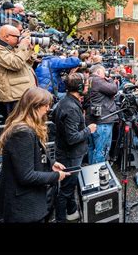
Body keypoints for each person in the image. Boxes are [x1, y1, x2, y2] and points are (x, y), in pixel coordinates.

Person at [0, 87, 70, 223]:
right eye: (45, 105)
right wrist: (56, 176)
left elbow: (29, 156)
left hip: (26, 203)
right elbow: (26, 175)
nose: (48, 109)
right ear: (34, 106)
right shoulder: (22, 133)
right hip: (22, 206)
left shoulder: (26, 128)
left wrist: (51, 163)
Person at [54, 73, 97, 222]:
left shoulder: (66, 101)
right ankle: (60, 219)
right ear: (78, 87)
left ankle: (72, 211)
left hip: (67, 152)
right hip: (70, 154)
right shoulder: (71, 108)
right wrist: (88, 130)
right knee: (66, 190)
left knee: (69, 186)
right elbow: (72, 138)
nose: (87, 87)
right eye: (85, 85)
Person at [0, 25, 36, 118]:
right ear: (6, 36)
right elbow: (16, 64)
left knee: (28, 123)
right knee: (19, 125)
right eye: (17, 37)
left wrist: (30, 49)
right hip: (14, 96)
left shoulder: (9, 47)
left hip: (22, 93)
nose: (19, 39)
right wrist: (23, 45)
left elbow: (27, 63)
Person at [84, 65, 119, 164]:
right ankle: (98, 175)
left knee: (92, 148)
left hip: (91, 120)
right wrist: (112, 81)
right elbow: (113, 90)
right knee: (101, 151)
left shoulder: (88, 80)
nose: (105, 76)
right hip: (103, 121)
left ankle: (92, 173)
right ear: (99, 72)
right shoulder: (97, 80)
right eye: (104, 73)